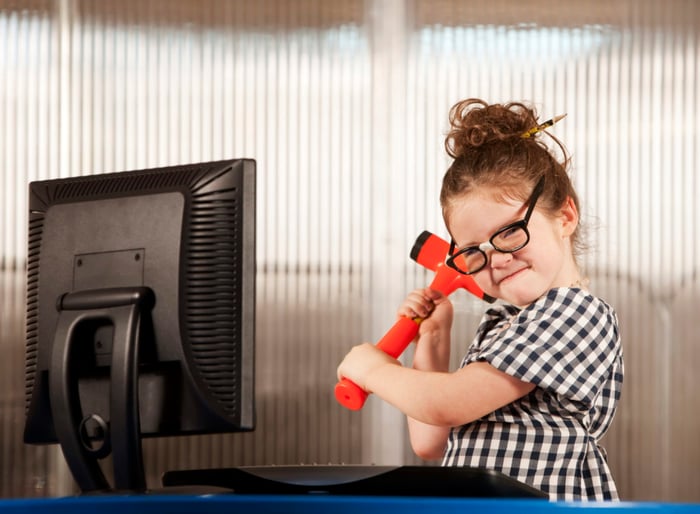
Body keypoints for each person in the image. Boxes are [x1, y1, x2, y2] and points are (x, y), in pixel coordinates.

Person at [336, 98, 624, 501]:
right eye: (473, 249)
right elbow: (430, 439)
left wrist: (373, 369)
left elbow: (447, 403)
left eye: (509, 232)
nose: (498, 259)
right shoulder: (504, 321)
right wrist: (434, 338)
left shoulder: (574, 313)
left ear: (565, 217)